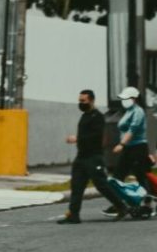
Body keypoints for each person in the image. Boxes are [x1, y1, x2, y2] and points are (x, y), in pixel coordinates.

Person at [58, 88, 126, 224]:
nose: (81, 103)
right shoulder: (84, 116)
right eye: (79, 101)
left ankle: (121, 207)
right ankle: (74, 215)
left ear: (91, 100)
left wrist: (77, 138)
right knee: (76, 185)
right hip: (81, 157)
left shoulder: (98, 117)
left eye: (83, 101)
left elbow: (96, 137)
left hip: (94, 157)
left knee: (102, 185)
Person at [111, 86, 151, 188]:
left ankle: (148, 199)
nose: (123, 101)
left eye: (126, 98)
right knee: (118, 176)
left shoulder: (138, 111)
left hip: (138, 148)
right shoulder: (128, 111)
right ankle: (119, 202)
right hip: (128, 148)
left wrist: (121, 144)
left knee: (141, 176)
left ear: (133, 98)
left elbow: (132, 130)